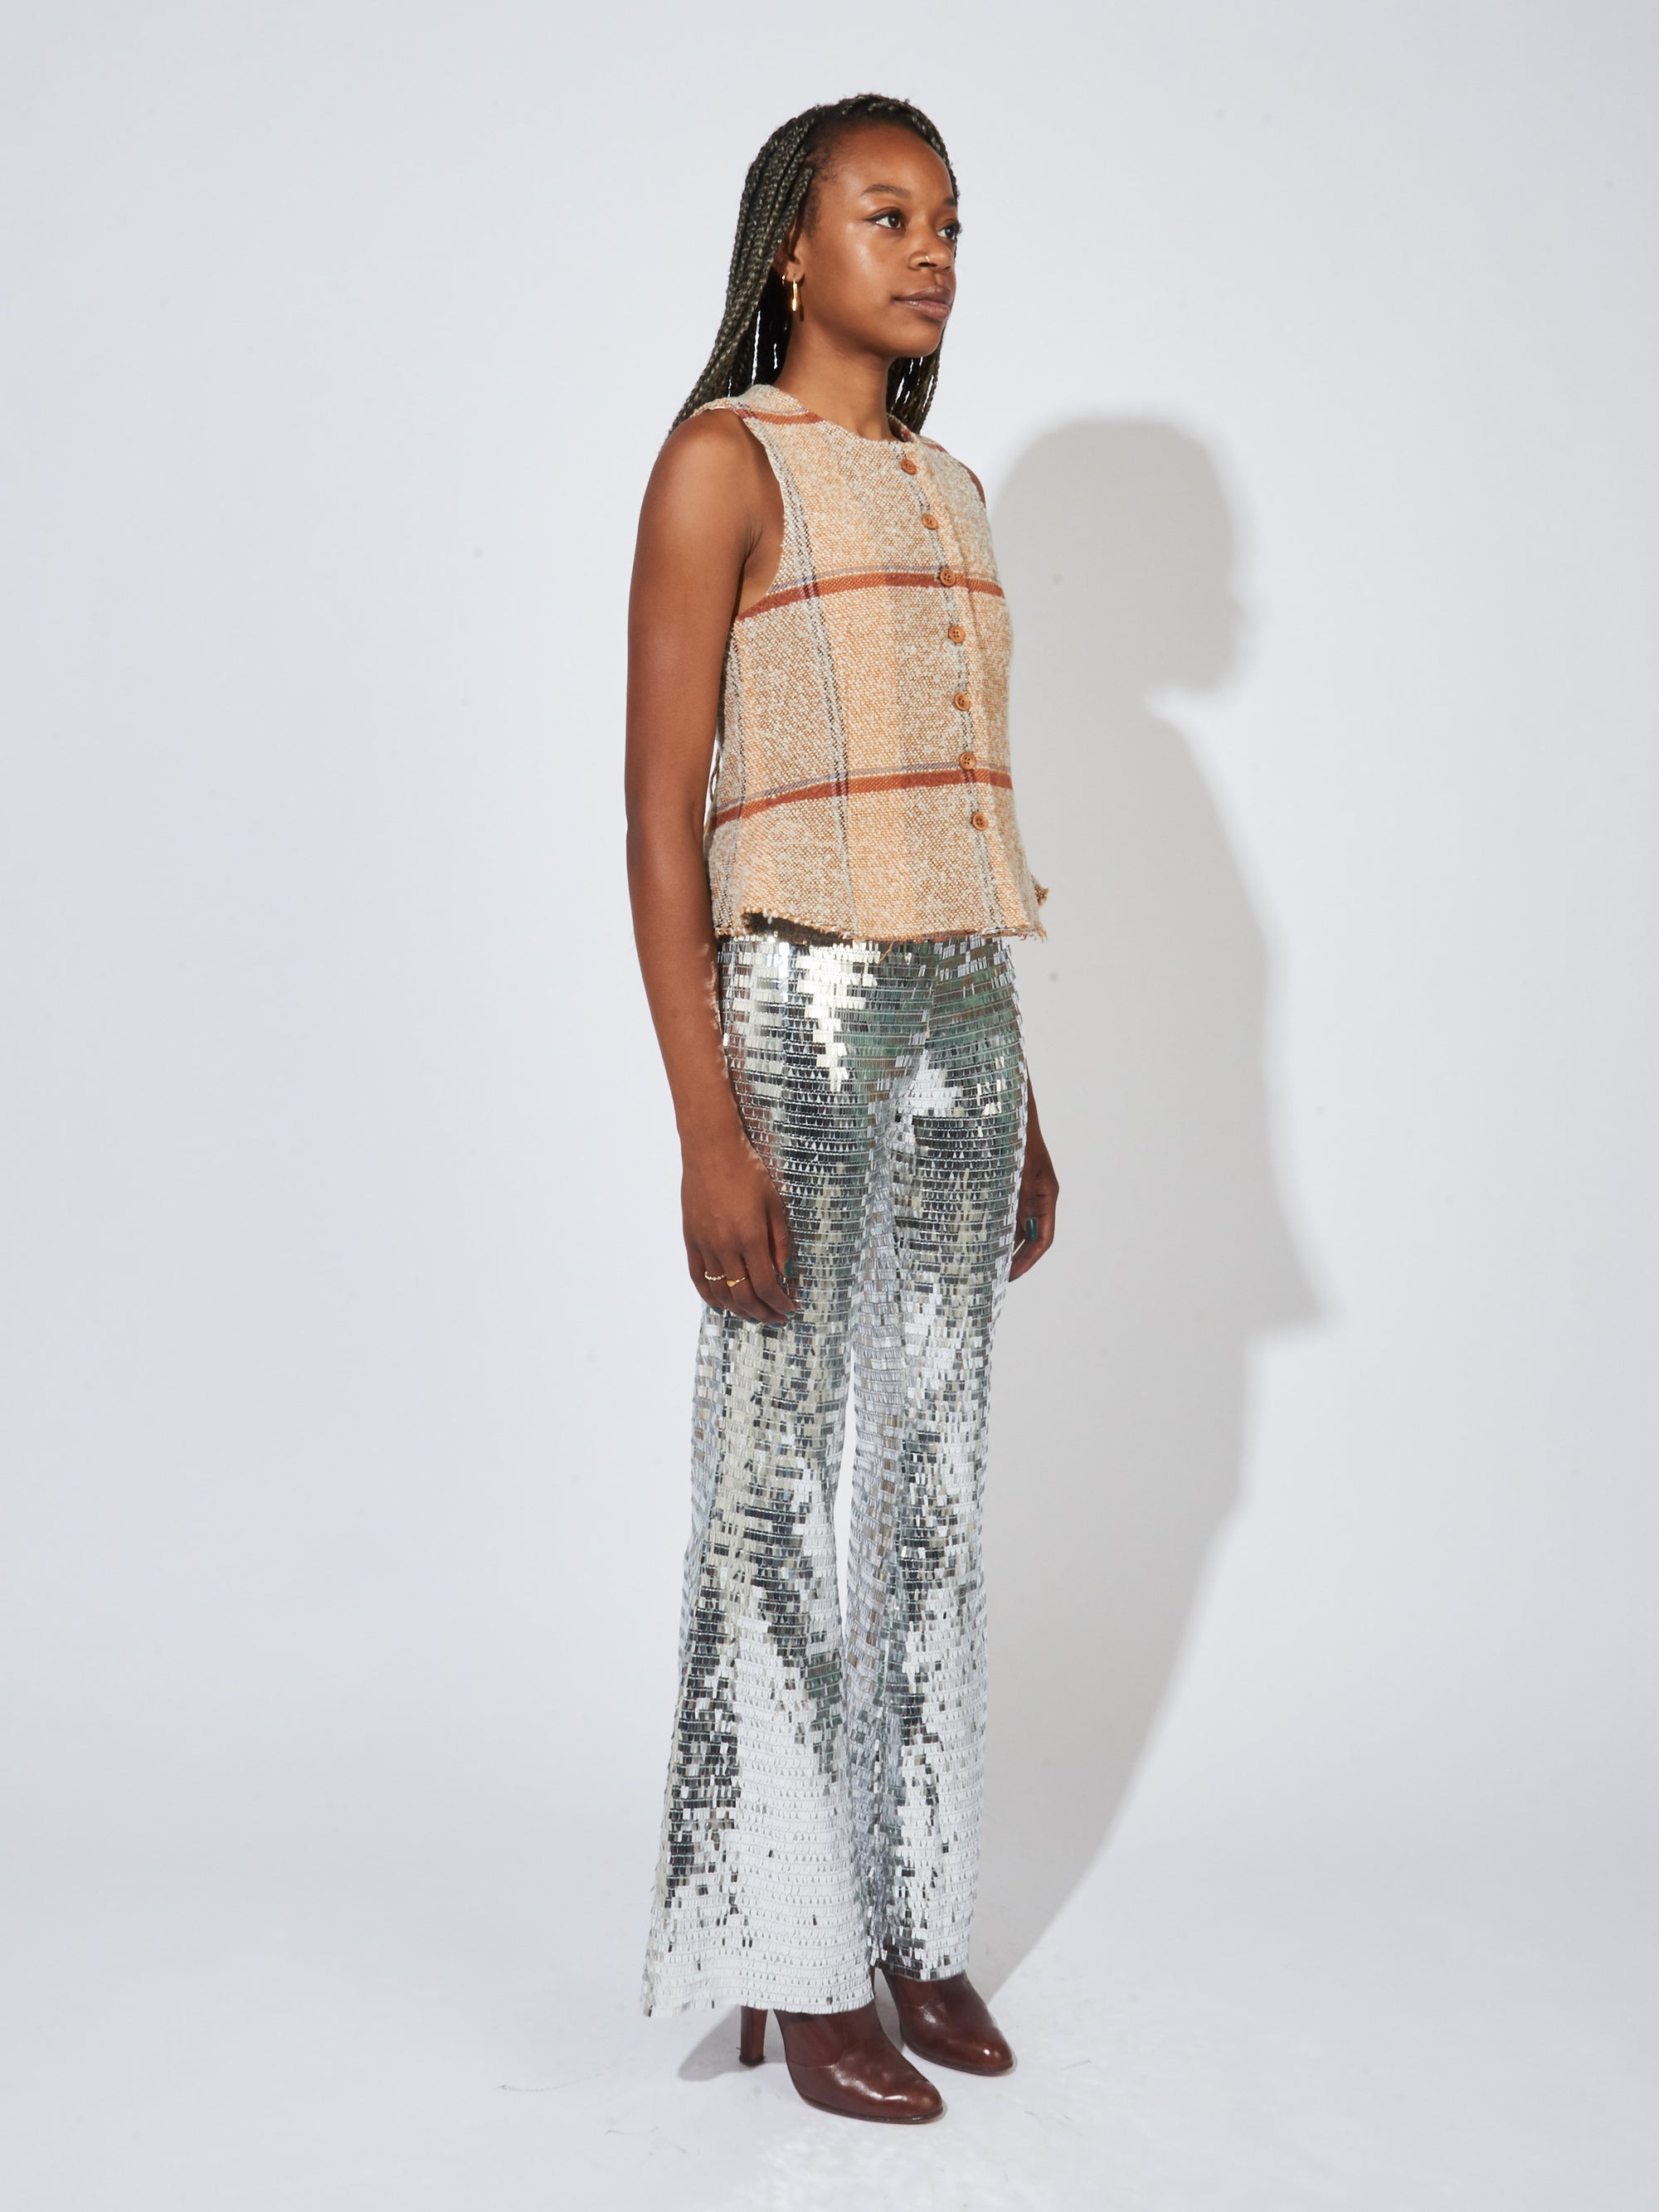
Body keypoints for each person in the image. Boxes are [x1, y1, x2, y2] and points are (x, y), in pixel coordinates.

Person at [625, 92, 1058, 2125]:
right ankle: (788, 1957)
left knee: (937, 1487)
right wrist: (705, 1123)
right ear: (793, 247)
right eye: (888, 214)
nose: (931, 249)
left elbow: (967, 815)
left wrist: (1023, 1098)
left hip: (965, 1016)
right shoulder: (724, 463)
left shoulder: (950, 486)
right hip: (795, 1010)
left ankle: (905, 1915)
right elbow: (659, 811)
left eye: (948, 219)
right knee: (784, 1490)